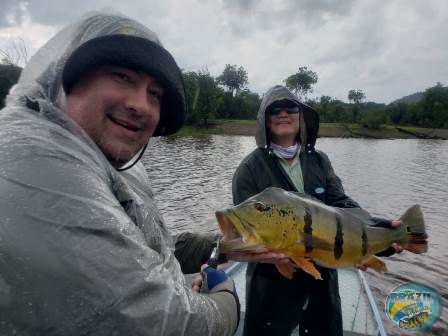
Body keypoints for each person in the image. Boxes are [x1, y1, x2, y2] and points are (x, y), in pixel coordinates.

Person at [0, 12, 239, 335]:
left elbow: (137, 243)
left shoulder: (100, 156)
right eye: (122, 76)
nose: (141, 105)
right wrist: (227, 301)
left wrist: (220, 246)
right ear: (64, 75)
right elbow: (159, 320)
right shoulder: (33, 157)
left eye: (155, 93)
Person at [231, 85, 402, 336]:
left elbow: (341, 205)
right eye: (274, 109)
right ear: (265, 121)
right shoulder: (249, 169)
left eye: (290, 107)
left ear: (301, 117)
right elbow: (246, 235)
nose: (283, 114)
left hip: (322, 286)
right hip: (272, 291)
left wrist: (380, 230)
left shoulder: (319, 160)